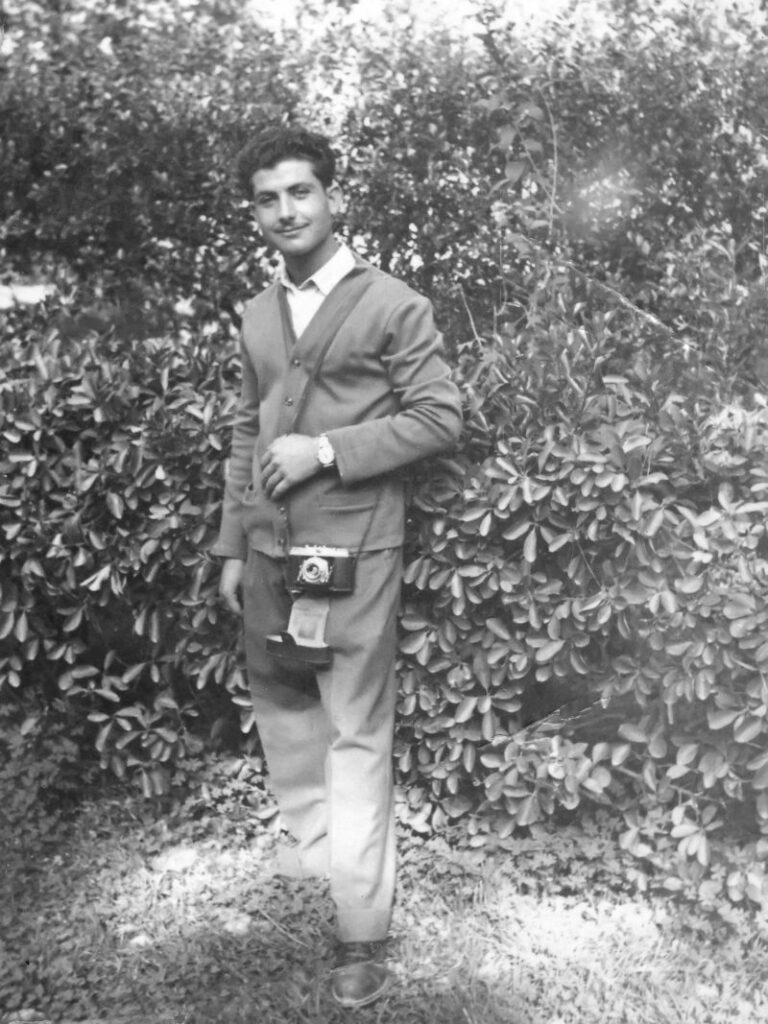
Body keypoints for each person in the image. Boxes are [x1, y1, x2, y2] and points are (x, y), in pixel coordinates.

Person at [213, 125, 462, 1009]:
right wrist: (233, 544)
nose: (286, 211)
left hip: (356, 547)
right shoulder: (257, 313)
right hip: (270, 551)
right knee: (286, 713)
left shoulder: (392, 303)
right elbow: (246, 431)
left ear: (333, 197)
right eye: (268, 199)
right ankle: (323, 861)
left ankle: (361, 931)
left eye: (301, 191)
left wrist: (325, 449)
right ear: (255, 213)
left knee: (355, 732)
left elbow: (440, 417)